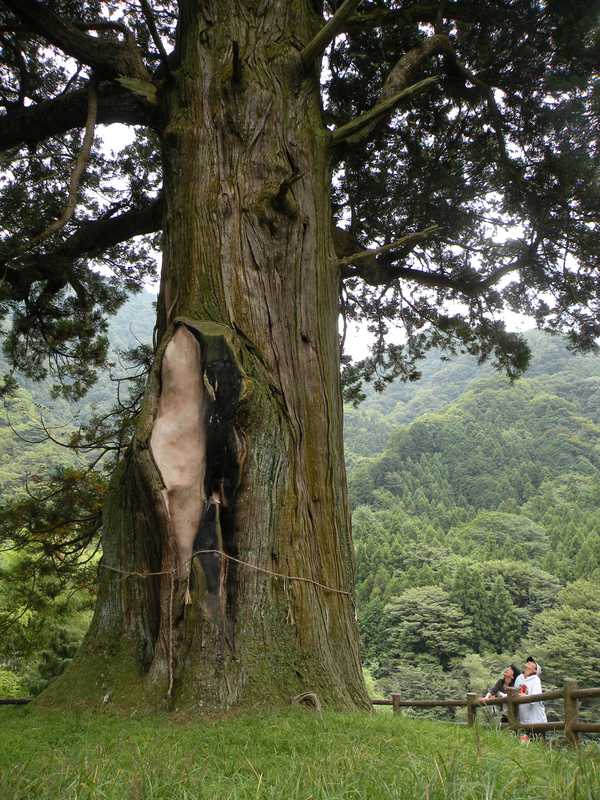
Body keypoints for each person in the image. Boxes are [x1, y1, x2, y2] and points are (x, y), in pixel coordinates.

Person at [514, 656, 547, 733]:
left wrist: (522, 696)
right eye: (528, 661)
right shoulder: (519, 678)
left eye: (532, 662)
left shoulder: (536, 680)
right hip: (522, 722)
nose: (529, 662)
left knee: (537, 744)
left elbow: (535, 699)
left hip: (536, 721)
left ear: (535, 670)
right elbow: (514, 693)